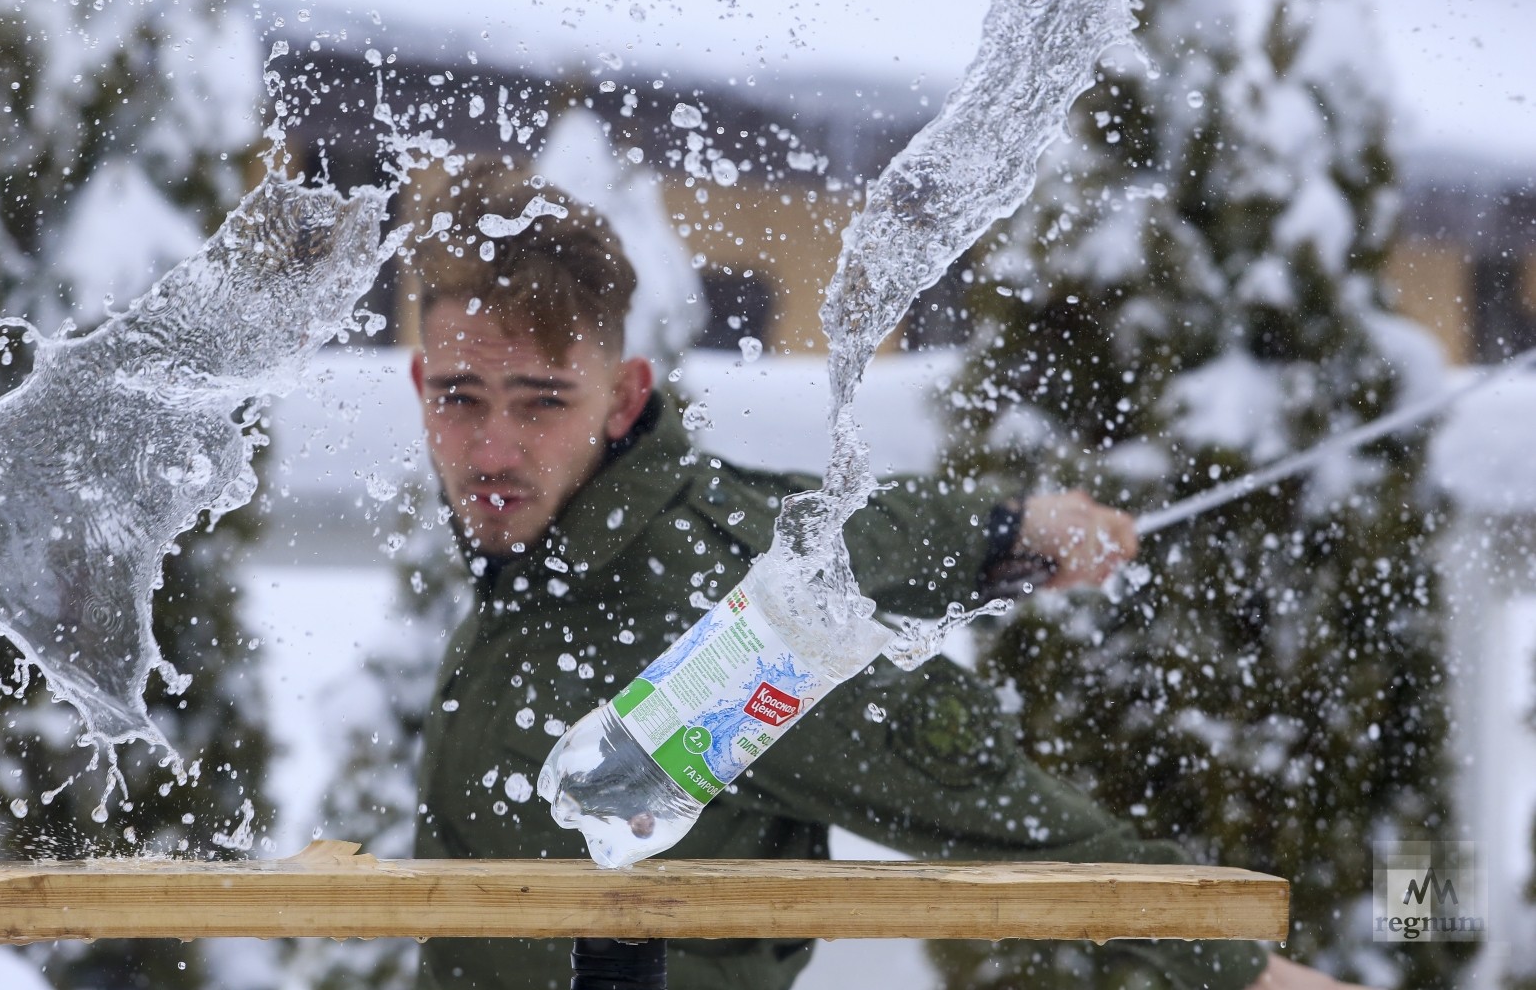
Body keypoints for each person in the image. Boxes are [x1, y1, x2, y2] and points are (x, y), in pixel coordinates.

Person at [408, 165, 1373, 990]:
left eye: (542, 401)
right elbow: (824, 524)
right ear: (419, 385)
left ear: (623, 399)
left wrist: (1237, 966)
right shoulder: (570, 551)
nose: (493, 449)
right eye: (460, 397)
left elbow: (997, 815)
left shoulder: (711, 630)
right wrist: (1005, 532)